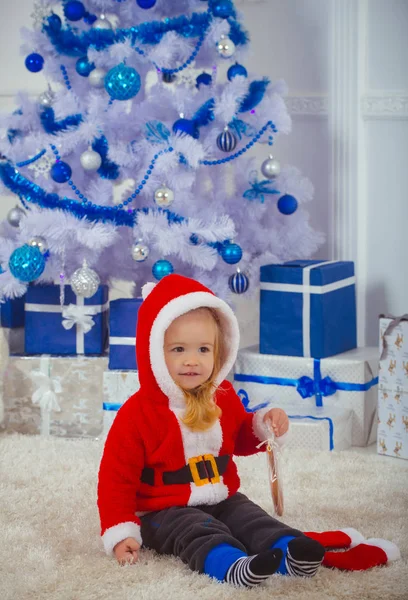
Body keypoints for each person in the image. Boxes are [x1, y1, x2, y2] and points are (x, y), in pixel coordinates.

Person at [97, 274, 326, 587]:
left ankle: (288, 550)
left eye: (203, 350)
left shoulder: (223, 396)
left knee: (247, 515)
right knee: (195, 528)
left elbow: (242, 437)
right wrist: (120, 529)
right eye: (178, 349)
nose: (192, 361)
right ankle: (229, 564)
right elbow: (115, 479)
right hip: (161, 508)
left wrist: (264, 424)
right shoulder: (138, 414)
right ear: (153, 353)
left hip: (218, 493)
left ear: (220, 352)